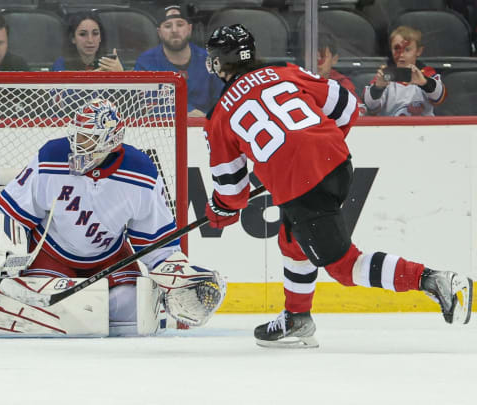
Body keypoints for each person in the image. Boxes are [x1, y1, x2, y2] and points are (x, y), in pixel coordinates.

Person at [202, 24, 473, 348]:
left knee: (345, 267)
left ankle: (434, 281)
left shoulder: (218, 116)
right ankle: (297, 317)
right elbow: (345, 105)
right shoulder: (284, 72)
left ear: (218, 63)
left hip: (304, 188)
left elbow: (233, 195)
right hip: (339, 162)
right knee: (292, 240)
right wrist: (316, 149)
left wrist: (218, 210)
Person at [0, 98, 225, 338]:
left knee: (133, 305)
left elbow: (157, 244)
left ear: (112, 139)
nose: (79, 145)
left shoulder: (141, 173)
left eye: (89, 139)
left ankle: (66, 311)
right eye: (77, 135)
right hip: (50, 256)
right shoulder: (52, 156)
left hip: (109, 260)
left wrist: (177, 273)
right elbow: (10, 212)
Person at [134, 4, 223, 117]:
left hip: (204, 127)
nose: (174, 30)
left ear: (189, 28)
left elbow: (222, 103)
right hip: (162, 130)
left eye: (180, 25)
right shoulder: (145, 62)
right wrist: (185, 112)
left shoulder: (209, 60)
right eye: (167, 26)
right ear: (159, 32)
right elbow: (146, 107)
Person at [364, 25, 446, 116]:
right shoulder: (384, 76)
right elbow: (371, 107)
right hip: (390, 128)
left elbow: (439, 97)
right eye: (396, 49)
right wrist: (378, 88)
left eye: (407, 50)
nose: (401, 54)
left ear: (418, 51)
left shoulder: (426, 73)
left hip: (423, 128)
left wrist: (425, 83)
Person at [50, 12, 124, 72]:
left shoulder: (111, 64)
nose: (90, 40)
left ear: (100, 37)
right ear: (73, 38)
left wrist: (121, 75)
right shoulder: (60, 64)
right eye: (83, 34)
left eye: (95, 34)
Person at [316, 33, 365, 114]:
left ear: (334, 59)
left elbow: (359, 114)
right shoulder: (295, 81)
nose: (316, 62)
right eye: (311, 56)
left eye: (322, 57)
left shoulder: (342, 85)